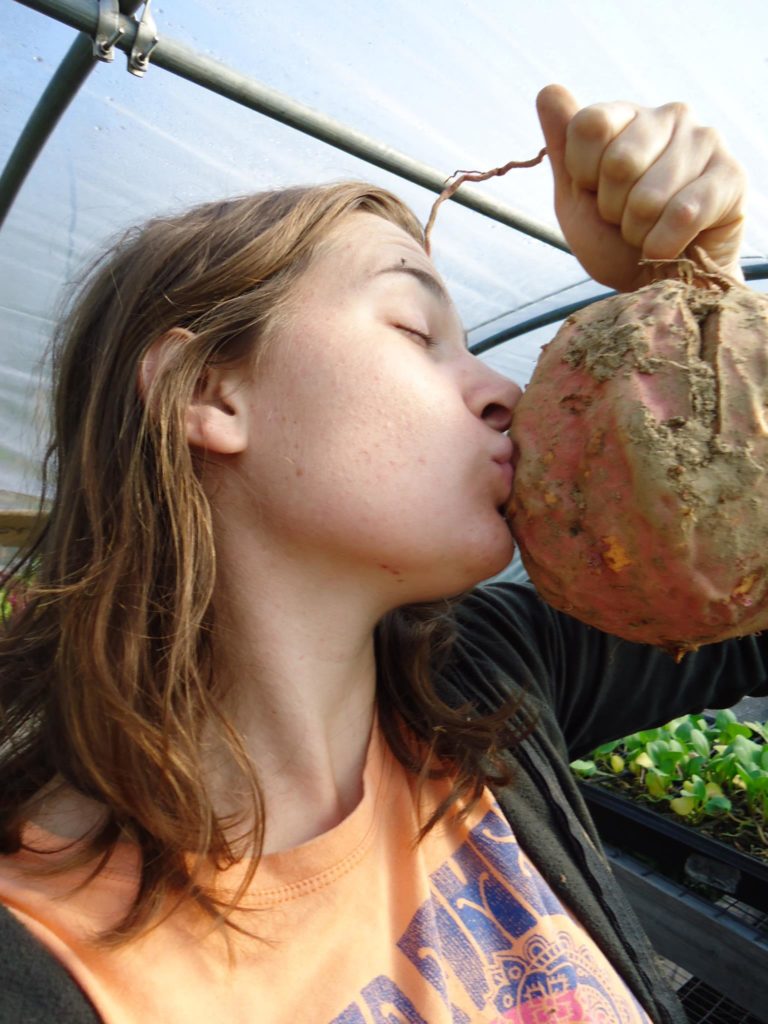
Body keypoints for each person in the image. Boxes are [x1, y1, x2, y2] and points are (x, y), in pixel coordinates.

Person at [0, 83, 761, 1024]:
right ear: (211, 395)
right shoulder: (40, 970)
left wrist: (696, 315)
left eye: (474, 345)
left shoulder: (493, 680)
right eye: (415, 330)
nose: (499, 391)